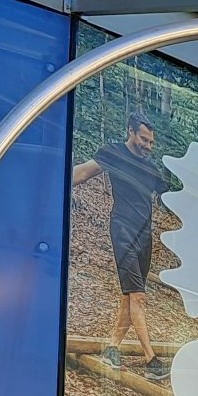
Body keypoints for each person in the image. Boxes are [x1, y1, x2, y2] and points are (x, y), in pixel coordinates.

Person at [72, 115, 164, 375]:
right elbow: (81, 173)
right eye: (144, 140)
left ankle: (112, 348)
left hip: (145, 237)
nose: (148, 146)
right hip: (123, 230)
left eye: (151, 142)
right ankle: (151, 360)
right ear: (130, 132)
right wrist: (51, 182)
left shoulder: (151, 169)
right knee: (138, 296)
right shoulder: (114, 153)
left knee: (129, 295)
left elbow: (174, 198)